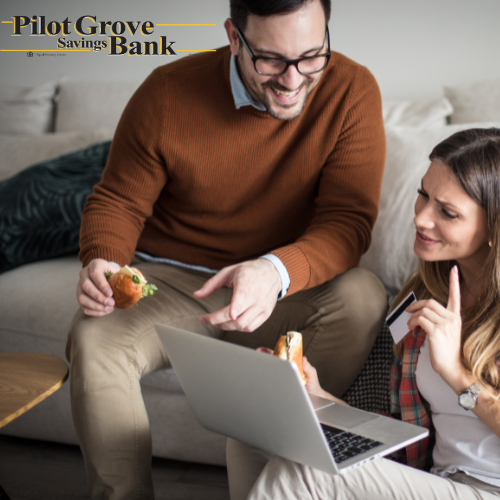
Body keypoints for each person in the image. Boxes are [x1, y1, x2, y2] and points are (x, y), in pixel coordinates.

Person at [65, 0, 388, 498]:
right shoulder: (168, 91)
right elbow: (118, 199)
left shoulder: (351, 89)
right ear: (234, 38)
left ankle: (290, 482)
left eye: (312, 55)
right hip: (172, 284)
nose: (293, 79)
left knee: (364, 294)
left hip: (282, 294)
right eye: (272, 60)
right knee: (94, 337)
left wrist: (273, 270)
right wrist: (103, 259)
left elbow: (347, 223)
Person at [227, 128, 500, 500]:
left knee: (309, 472)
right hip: (438, 479)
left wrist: (455, 374)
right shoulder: (420, 298)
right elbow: (400, 432)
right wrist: (319, 397)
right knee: (254, 430)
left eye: (447, 212)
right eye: (423, 195)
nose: (421, 218)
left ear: (493, 228)